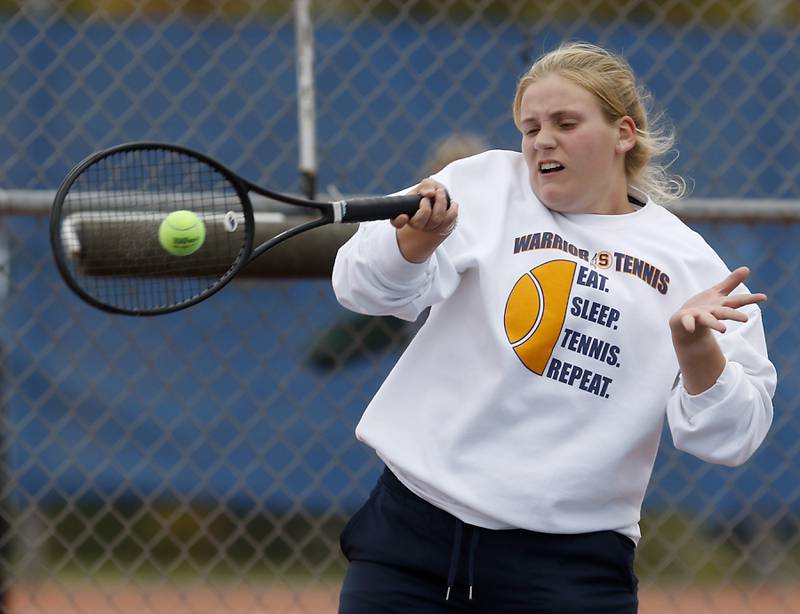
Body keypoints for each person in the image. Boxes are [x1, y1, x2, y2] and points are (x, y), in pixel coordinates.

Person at [331, 41, 776, 613]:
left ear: (624, 133)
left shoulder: (692, 266)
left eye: (567, 123)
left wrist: (696, 351)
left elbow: (733, 435)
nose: (543, 140)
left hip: (569, 573)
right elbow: (361, 286)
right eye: (531, 125)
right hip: (409, 542)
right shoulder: (486, 184)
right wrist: (414, 241)